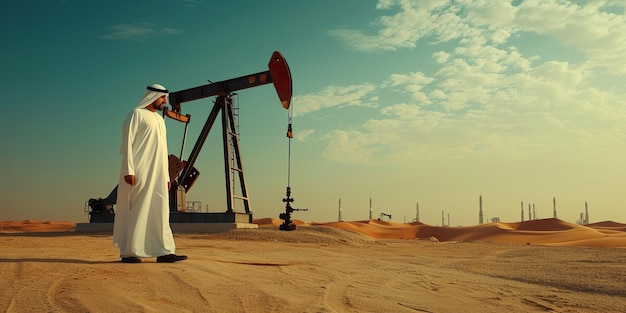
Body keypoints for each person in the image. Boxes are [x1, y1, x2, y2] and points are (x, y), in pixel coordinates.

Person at [113, 84, 187, 264]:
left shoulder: (160, 120)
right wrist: (129, 170)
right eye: (163, 98)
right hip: (139, 170)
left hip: (158, 174)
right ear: (153, 97)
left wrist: (167, 175)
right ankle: (130, 252)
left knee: (160, 210)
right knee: (138, 209)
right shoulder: (135, 114)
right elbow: (127, 145)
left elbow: (163, 150)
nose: (165, 101)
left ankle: (164, 251)